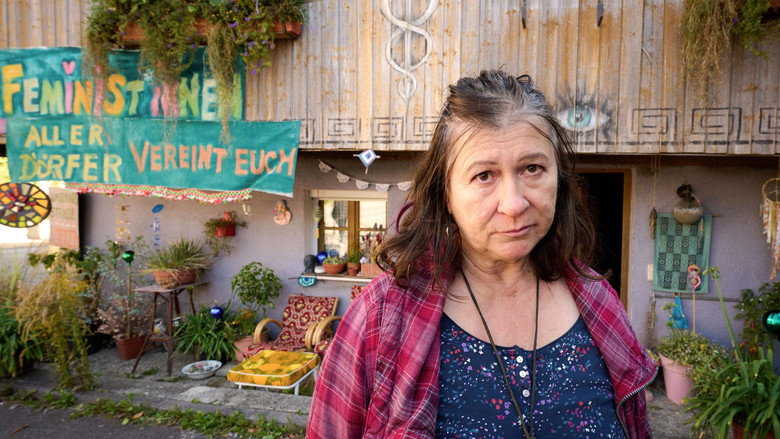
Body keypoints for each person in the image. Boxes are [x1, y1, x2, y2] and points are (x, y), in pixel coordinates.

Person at [307, 70, 657, 438]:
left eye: (533, 168)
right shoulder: (382, 317)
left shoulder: (598, 301)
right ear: (446, 194)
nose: (514, 203)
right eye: (484, 176)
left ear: (559, 179)